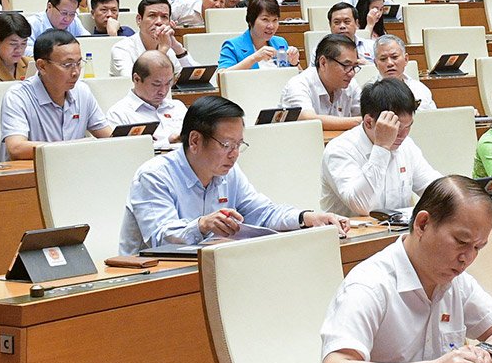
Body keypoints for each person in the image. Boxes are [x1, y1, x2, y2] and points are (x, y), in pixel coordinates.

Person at [317, 177, 492, 363]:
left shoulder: (456, 282)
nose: (467, 258)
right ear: (423, 224)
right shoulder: (370, 284)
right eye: (461, 242)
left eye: (478, 248)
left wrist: (486, 352)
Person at [117, 96, 348, 253]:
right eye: (227, 144)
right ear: (195, 140)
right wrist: (203, 224)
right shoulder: (153, 176)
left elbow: (263, 212)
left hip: (210, 266)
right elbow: (159, 238)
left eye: (239, 144)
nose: (235, 154)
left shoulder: (228, 172)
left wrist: (307, 218)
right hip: (154, 278)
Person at [320, 79, 440, 217]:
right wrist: (382, 147)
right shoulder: (339, 149)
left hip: (399, 234)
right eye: (396, 127)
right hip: (353, 236)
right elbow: (361, 205)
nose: (403, 135)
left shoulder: (407, 145)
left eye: (408, 126)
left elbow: (433, 188)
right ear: (369, 122)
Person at [0, 28, 106, 157]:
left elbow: (107, 136)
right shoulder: (17, 96)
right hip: (30, 174)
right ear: (42, 66)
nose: (76, 72)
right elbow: (16, 147)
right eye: (67, 65)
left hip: (72, 171)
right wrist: (72, 146)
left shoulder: (82, 91)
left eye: (78, 63)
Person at [280, 33, 364, 129]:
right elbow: (309, 120)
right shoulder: (298, 84)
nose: (351, 73)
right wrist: (362, 121)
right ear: (323, 63)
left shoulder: (351, 84)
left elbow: (368, 113)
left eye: (354, 66)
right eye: (346, 66)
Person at [102, 49, 185, 144]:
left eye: (168, 83)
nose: (163, 91)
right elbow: (120, 152)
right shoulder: (119, 114)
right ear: (136, 79)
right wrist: (168, 142)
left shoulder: (178, 107)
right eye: (156, 84)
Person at [110, 0, 193, 78]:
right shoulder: (122, 49)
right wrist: (162, 52)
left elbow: (195, 77)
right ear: (139, 20)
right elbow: (136, 83)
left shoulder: (170, 48)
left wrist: (177, 48)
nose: (159, 22)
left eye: (164, 17)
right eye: (152, 16)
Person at [219, 0, 296, 69]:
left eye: (275, 20)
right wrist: (254, 58)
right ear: (251, 20)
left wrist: (294, 62)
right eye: (265, 20)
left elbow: (297, 76)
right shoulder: (233, 46)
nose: (271, 26)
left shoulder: (280, 42)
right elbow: (221, 75)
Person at [370, 34, 436, 109]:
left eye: (394, 57)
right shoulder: (370, 92)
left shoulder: (420, 89)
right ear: (375, 63)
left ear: (406, 59)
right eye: (383, 59)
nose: (390, 63)